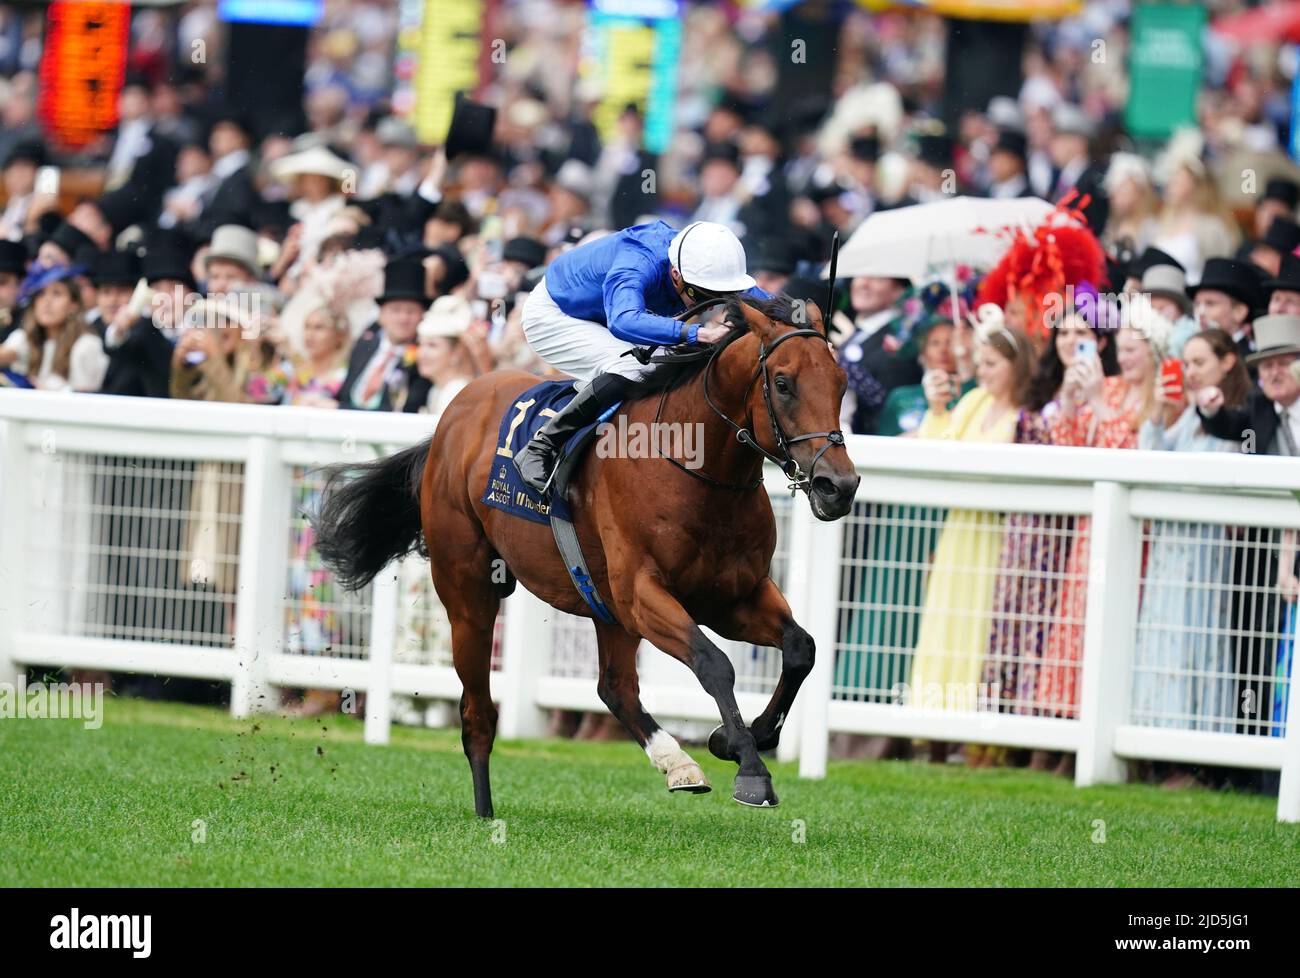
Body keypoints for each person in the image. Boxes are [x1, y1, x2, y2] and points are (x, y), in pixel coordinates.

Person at [511, 219, 767, 493]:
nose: (708, 303)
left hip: (605, 314)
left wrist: (805, 328)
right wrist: (696, 333)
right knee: (631, 366)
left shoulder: (704, 264)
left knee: (681, 360)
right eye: (701, 295)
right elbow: (623, 320)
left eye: (718, 296)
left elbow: (764, 303)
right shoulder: (638, 259)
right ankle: (542, 446)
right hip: (556, 314)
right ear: (676, 274)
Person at [908, 310, 1036, 758]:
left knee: (984, 627)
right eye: (980, 363)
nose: (981, 372)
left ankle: (980, 737)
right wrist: (939, 408)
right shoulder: (975, 401)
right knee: (948, 620)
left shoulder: (1026, 413)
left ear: (1016, 366)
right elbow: (939, 445)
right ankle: (936, 726)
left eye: (992, 363)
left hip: (999, 535)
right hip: (960, 528)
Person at [1133, 328, 1249, 746]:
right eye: (1188, 363)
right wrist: (1161, 412)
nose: (1192, 372)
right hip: (1170, 547)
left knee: (1199, 640)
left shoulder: (1239, 413)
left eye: (1200, 362)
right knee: (1163, 638)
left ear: (1228, 361)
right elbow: (1148, 464)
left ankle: (1197, 748)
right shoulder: (1187, 417)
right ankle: (1153, 738)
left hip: (1206, 549)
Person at [338, 258, 431, 412]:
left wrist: (339, 407)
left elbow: (403, 409)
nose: (403, 318)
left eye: (411, 311)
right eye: (396, 310)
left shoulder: (423, 357)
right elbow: (344, 394)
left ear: (422, 316)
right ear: (381, 316)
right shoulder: (364, 346)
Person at [0, 263, 107, 391]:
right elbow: (6, 353)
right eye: (41, 294)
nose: (47, 301)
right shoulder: (25, 339)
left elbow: (88, 401)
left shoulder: (86, 345)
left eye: (57, 294)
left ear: (73, 304)